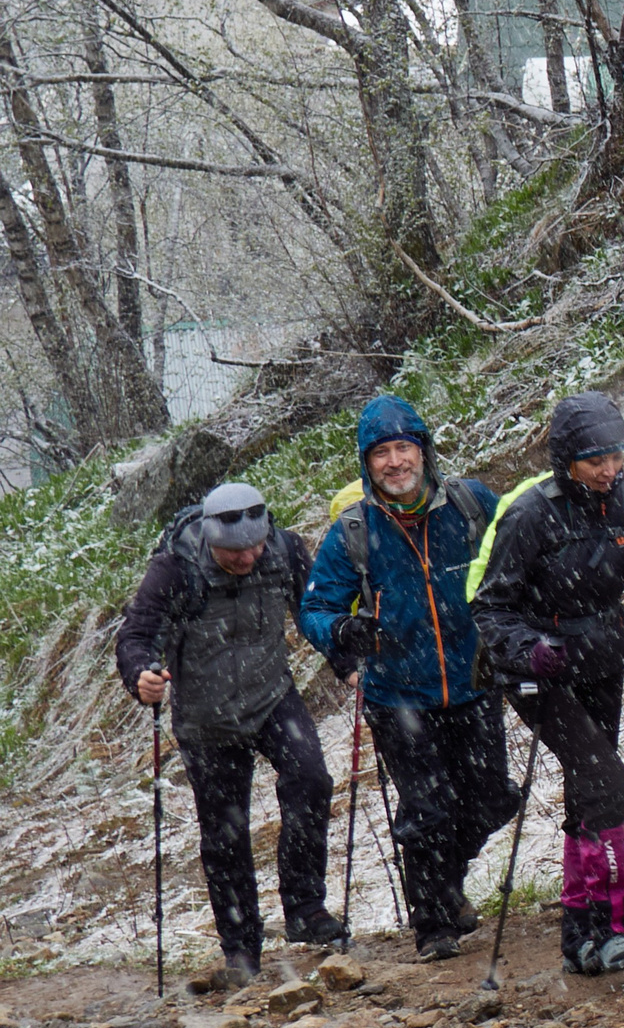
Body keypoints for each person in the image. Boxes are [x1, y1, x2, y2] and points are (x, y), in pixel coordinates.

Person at [470, 391, 624, 975]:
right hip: (537, 673)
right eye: (595, 459)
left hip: (601, 660)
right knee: (606, 781)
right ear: (566, 460)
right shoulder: (531, 514)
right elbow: (490, 608)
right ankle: (612, 926)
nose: (609, 470)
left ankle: (579, 936)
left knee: (589, 789)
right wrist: (531, 651)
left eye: (615, 455)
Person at [299, 396, 512, 961]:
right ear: (366, 465)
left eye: (404, 448)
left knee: (493, 797)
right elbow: (314, 608)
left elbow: (520, 556)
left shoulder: (470, 504)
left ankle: (445, 883)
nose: (395, 462)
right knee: (427, 810)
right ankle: (433, 925)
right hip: (398, 695)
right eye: (381, 453)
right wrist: (343, 632)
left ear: (424, 452)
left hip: (475, 681)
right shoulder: (354, 531)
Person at [117, 482, 344, 986]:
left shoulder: (284, 549)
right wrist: (142, 676)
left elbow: (312, 614)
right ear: (211, 539)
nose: (248, 557)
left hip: (271, 697)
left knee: (312, 780)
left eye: (254, 546)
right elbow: (136, 635)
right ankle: (241, 947)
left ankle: (306, 908)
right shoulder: (175, 567)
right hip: (205, 716)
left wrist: (346, 659)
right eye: (234, 551)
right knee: (225, 832)